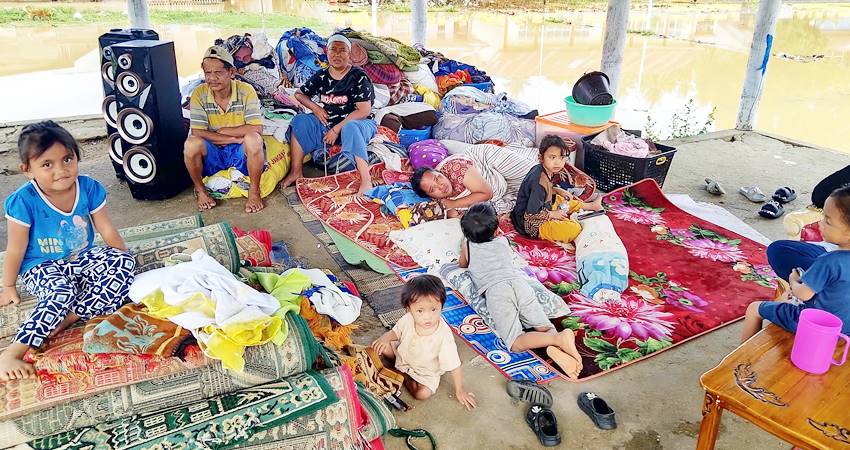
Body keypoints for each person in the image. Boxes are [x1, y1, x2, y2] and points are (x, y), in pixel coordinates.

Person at [0, 121, 136, 381]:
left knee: (126, 268)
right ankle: (13, 351)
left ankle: (69, 317)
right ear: (28, 170)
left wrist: (121, 262)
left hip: (81, 258)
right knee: (61, 292)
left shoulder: (89, 188)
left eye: (67, 159)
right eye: (47, 164)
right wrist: (8, 286)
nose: (61, 170)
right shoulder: (23, 201)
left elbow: (107, 230)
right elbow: (15, 248)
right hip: (40, 266)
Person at [458, 202, 584, 379]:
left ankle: (557, 340)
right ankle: (554, 346)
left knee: (515, 342)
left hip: (497, 291)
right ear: (496, 230)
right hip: (519, 284)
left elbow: (462, 264)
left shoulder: (467, 245)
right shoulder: (502, 241)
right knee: (543, 327)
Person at [742, 184, 850, 342]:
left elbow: (804, 295)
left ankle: (739, 361)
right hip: (845, 329)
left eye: (828, 221)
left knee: (754, 309)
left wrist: (793, 281)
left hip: (814, 324)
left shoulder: (828, 261)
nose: (820, 223)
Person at [281, 34, 377, 195]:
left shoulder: (358, 77)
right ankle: (296, 171)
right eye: (333, 50)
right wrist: (316, 109)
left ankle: (366, 180)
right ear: (327, 52)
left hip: (359, 125)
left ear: (349, 54)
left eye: (342, 51)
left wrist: (336, 129)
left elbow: (364, 110)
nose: (337, 54)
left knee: (351, 127)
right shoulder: (322, 75)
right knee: (300, 121)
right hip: (329, 124)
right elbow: (299, 94)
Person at [372, 274, 476, 410]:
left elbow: (453, 364)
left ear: (441, 306)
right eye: (420, 311)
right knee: (381, 346)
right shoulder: (408, 318)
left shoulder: (443, 335)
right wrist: (384, 338)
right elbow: (395, 332)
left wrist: (459, 389)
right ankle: (400, 367)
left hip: (426, 371)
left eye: (433, 309)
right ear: (409, 309)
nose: (428, 317)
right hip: (404, 354)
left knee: (422, 394)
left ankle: (403, 374)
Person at [184, 45, 266, 213]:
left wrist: (224, 131)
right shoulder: (199, 93)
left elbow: (256, 127)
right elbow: (198, 133)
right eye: (208, 73)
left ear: (232, 72)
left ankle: (254, 191)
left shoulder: (246, 91)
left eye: (218, 72)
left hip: (238, 153)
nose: (212, 78)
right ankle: (201, 191)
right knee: (191, 144)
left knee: (254, 139)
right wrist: (233, 138)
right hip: (214, 154)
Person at [511, 135, 603, 243]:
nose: (558, 162)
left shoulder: (543, 170)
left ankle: (591, 206)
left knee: (561, 199)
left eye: (562, 157)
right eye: (552, 157)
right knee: (574, 229)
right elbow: (531, 215)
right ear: (541, 157)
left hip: (543, 208)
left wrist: (558, 190)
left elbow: (545, 192)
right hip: (530, 224)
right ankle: (570, 219)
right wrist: (552, 214)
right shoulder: (539, 182)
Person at [409, 143, 539, 215]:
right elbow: (453, 214)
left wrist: (454, 204)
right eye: (433, 189)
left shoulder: (456, 168)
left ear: (440, 172)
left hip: (488, 160)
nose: (440, 186)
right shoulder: (440, 201)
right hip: (497, 182)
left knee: (537, 174)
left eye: (438, 178)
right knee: (530, 193)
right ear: (431, 196)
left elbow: (487, 193)